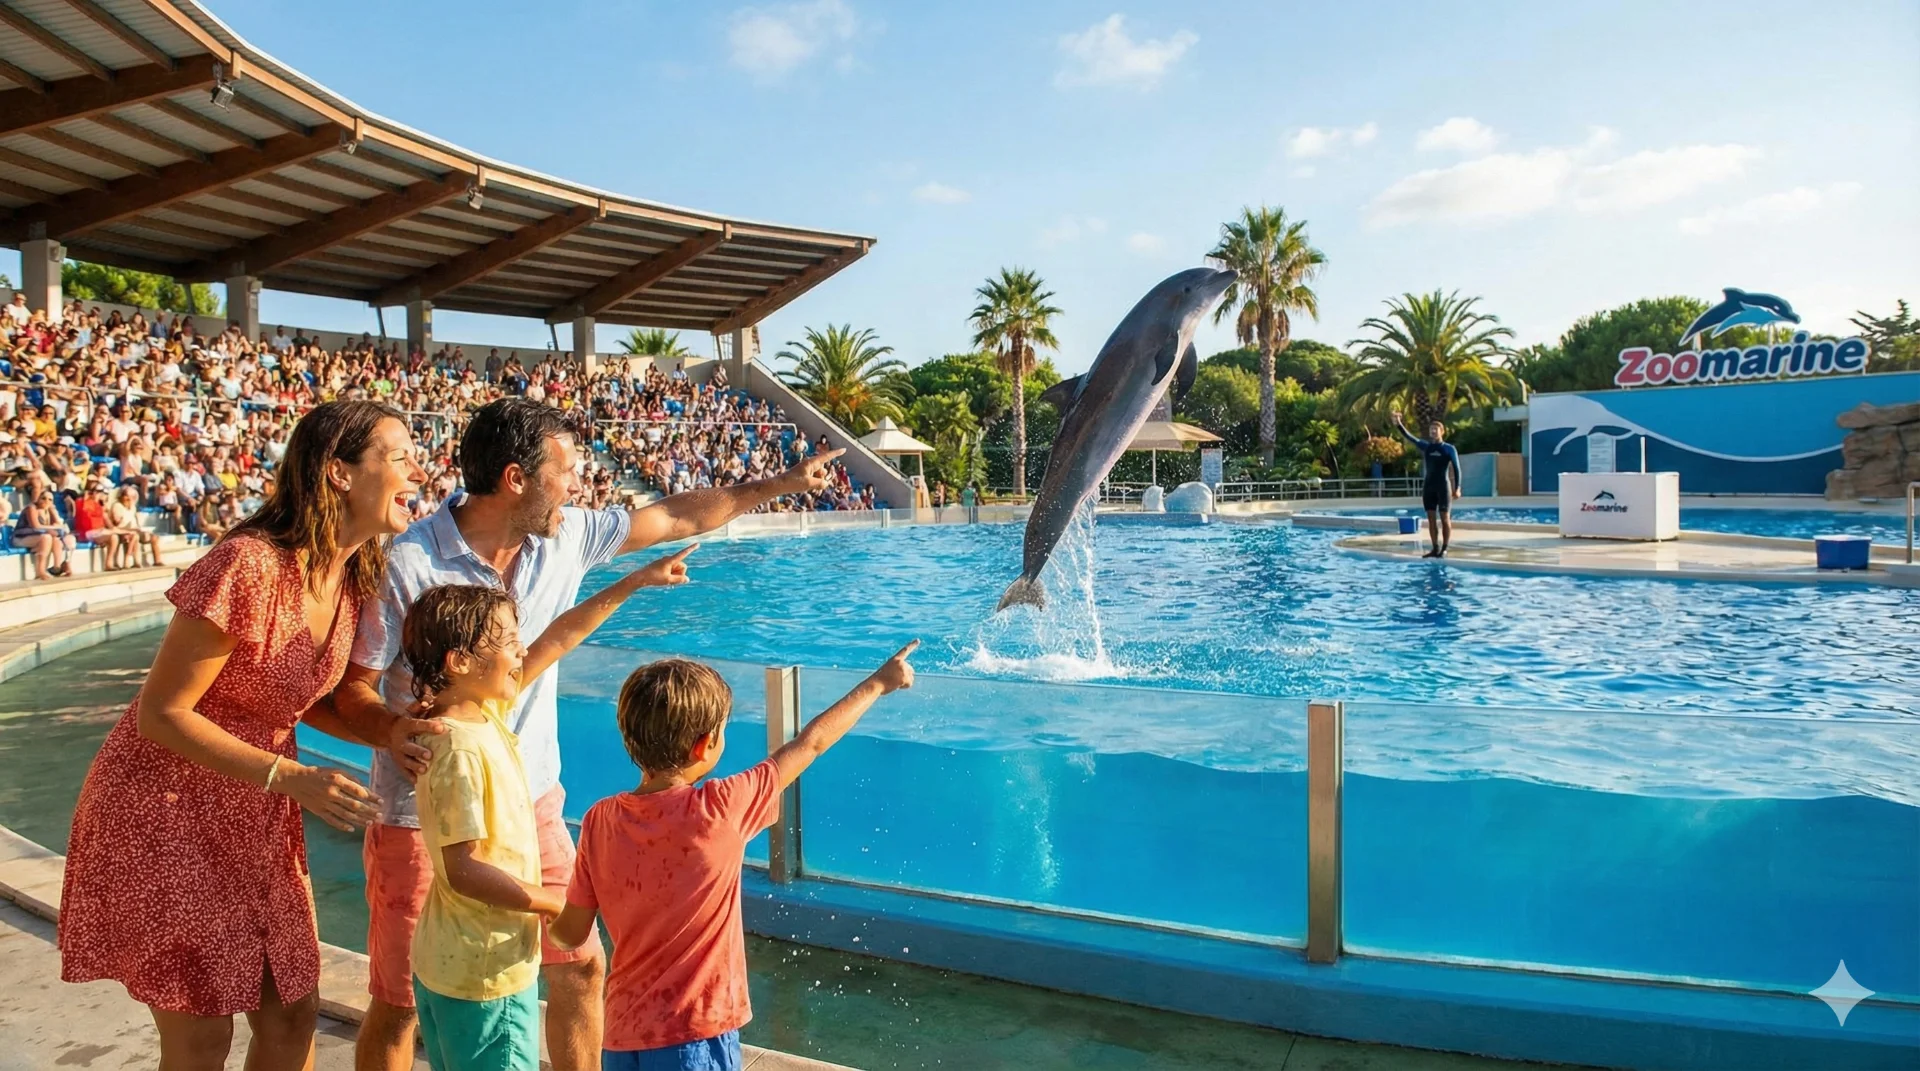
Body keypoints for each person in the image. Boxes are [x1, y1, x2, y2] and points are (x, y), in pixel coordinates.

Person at [338, 398, 846, 1071]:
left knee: (580, 964)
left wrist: (779, 484)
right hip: (420, 813)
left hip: (533, 798)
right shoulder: (407, 561)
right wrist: (395, 727)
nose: (580, 485)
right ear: (517, 478)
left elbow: (676, 515)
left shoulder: (566, 534)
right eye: (567, 471)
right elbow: (351, 687)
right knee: (402, 996)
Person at [58, 400, 445, 1069]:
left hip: (255, 816)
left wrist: (391, 731)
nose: (421, 465)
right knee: (202, 1036)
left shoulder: (353, 577)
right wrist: (292, 776)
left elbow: (301, 697)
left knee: (293, 1011)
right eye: (401, 452)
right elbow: (163, 711)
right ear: (339, 473)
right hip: (166, 810)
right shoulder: (249, 565)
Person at [549, 641, 919, 1069]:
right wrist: (878, 683)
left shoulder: (600, 819)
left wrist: (536, 905)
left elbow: (570, 934)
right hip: (695, 1036)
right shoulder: (721, 807)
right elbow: (810, 744)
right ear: (705, 745)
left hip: (621, 1039)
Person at [401, 545, 696, 1071]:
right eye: (510, 644)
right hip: (486, 975)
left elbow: (558, 637)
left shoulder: (478, 714)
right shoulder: (461, 748)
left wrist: (631, 582)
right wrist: (550, 904)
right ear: (461, 662)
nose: (521, 654)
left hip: (453, 962)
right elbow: (463, 870)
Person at [1391, 410, 1462, 558]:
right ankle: (1435, 548)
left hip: (1443, 487)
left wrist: (1458, 488)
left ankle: (1445, 548)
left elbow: (1456, 468)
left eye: (1436, 429)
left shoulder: (1449, 449)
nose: (1433, 432)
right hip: (1429, 487)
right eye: (1431, 430)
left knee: (1444, 518)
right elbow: (1410, 438)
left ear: (1442, 431)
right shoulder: (1427, 447)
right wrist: (1399, 424)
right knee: (1430, 518)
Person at [14, 488, 74, 579]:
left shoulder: (48, 510)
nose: (46, 501)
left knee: (57, 539)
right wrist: (53, 527)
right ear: (38, 498)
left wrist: (53, 511)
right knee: (46, 538)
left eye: (50, 500)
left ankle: (57, 567)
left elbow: (58, 524)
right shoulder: (31, 508)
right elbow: (36, 526)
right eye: (43, 498)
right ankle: (40, 571)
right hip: (20, 538)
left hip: (37, 537)